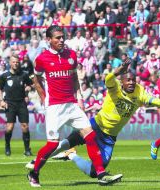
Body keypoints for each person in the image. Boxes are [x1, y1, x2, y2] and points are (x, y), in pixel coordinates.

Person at [26, 56, 160, 180]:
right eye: (128, 80)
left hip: (110, 137)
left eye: (133, 80)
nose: (131, 83)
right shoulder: (115, 88)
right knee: (69, 140)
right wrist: (117, 71)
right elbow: (108, 79)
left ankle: (71, 155)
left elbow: (158, 101)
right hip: (96, 125)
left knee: (94, 172)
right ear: (122, 83)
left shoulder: (140, 93)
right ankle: (37, 161)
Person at [27, 25, 122, 187]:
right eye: (57, 37)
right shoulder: (42, 59)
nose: (61, 40)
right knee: (52, 144)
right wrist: (43, 96)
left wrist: (79, 98)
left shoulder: (71, 55)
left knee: (90, 136)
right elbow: (35, 77)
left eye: (62, 37)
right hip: (55, 107)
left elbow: (74, 78)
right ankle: (34, 173)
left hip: (71, 104)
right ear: (49, 40)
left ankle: (101, 173)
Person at [0, 54, 33, 157]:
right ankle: (7, 146)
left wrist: (29, 88)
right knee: (9, 127)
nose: (16, 64)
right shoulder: (5, 76)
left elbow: (30, 85)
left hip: (21, 103)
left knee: (25, 127)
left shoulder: (24, 74)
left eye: (17, 62)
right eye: (14, 62)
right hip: (10, 104)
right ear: (10, 63)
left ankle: (27, 149)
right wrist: (1, 101)